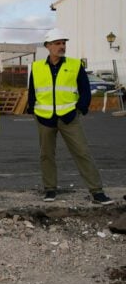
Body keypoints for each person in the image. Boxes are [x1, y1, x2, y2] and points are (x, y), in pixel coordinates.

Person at [28, 29, 114, 205]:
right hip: (44, 118)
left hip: (69, 117)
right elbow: (32, 91)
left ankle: (97, 191)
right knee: (46, 155)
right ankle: (50, 189)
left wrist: (80, 109)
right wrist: (33, 109)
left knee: (82, 152)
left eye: (63, 43)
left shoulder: (75, 65)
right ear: (48, 46)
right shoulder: (36, 67)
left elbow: (84, 90)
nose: (62, 46)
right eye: (58, 43)